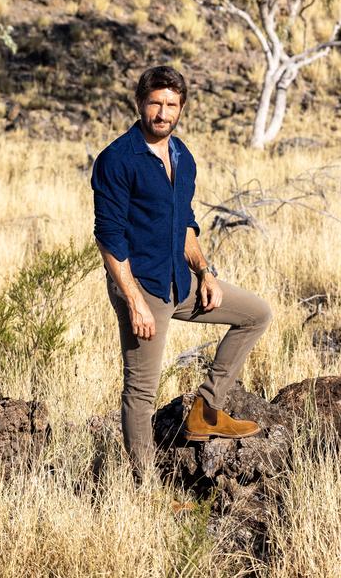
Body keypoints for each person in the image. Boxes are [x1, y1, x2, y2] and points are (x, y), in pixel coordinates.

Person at [91, 65, 272, 480]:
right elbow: (109, 237)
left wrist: (205, 273)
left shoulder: (182, 156)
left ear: (181, 108)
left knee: (255, 314)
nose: (162, 112)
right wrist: (134, 301)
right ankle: (146, 487)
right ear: (140, 103)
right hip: (144, 288)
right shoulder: (117, 159)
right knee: (141, 392)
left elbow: (185, 223)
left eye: (171, 104)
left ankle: (205, 410)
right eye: (155, 102)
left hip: (180, 278)